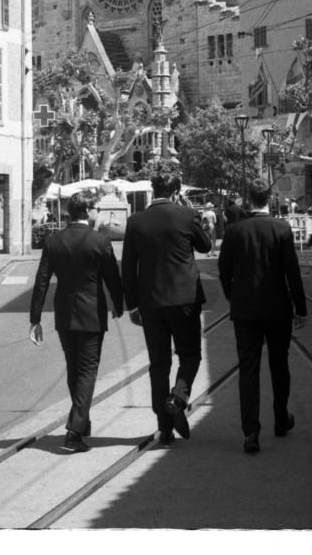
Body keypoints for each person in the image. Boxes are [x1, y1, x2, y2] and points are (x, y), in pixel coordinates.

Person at [29, 192, 124, 453]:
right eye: (96, 208)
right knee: (88, 370)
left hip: (64, 314)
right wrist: (119, 303)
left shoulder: (54, 241)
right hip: (92, 314)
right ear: (89, 211)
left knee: (74, 368)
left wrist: (35, 319)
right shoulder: (100, 241)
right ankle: (74, 431)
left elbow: (41, 281)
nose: (98, 213)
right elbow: (112, 277)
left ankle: (82, 421)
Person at [121, 172, 212, 444]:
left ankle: (164, 427)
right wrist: (195, 216)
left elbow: (128, 267)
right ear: (176, 192)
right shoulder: (186, 215)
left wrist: (132, 304)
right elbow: (206, 246)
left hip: (150, 302)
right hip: (184, 299)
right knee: (191, 355)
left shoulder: (136, 221)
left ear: (152, 191)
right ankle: (178, 397)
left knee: (158, 363)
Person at [218, 179, 307, 454]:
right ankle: (281, 419)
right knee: (280, 365)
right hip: (277, 308)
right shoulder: (281, 229)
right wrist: (300, 308)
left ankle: (251, 433)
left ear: (248, 199)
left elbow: (224, 270)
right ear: (269, 198)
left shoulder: (234, 231)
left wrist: (234, 297)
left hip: (245, 310)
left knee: (248, 369)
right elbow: (292, 272)